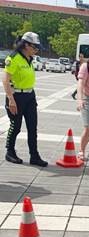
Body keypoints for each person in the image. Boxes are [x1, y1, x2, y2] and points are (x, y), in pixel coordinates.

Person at [2, 32, 48, 166]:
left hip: (29, 96)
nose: (37, 50)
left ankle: (34, 156)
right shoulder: (14, 58)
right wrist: (11, 99)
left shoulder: (29, 58)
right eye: (35, 47)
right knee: (15, 126)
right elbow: (5, 79)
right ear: (26, 45)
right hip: (16, 96)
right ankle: (10, 152)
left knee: (32, 127)